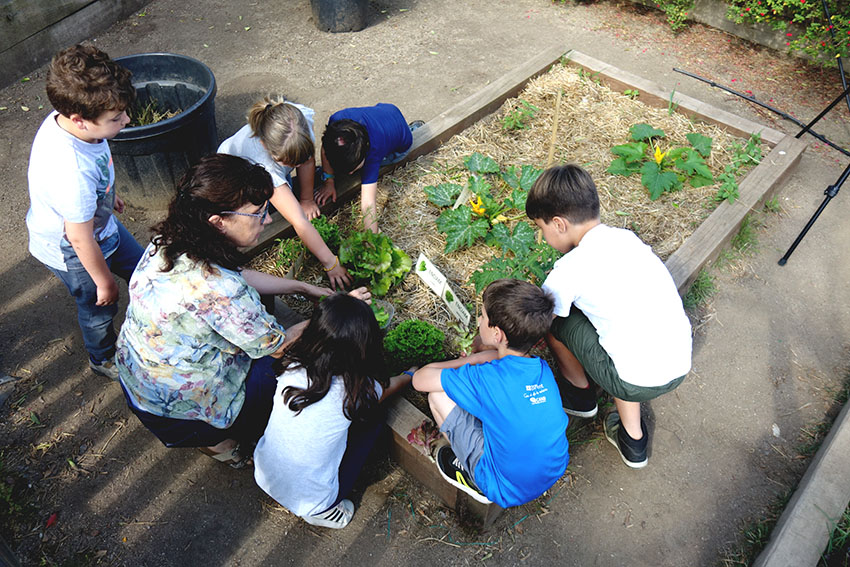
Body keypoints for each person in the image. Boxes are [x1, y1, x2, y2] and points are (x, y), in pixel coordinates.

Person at [116, 154, 343, 467]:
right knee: (291, 371)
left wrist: (302, 287)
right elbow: (279, 346)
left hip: (141, 378)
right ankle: (225, 442)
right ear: (218, 221)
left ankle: (218, 442)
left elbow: (236, 276)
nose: (266, 219)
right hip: (176, 410)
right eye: (258, 213)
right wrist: (333, 312)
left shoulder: (168, 241)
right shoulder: (222, 290)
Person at [526, 164, 692, 469]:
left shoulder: (570, 269)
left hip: (634, 380)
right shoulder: (627, 239)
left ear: (559, 224)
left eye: (541, 228)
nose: (542, 236)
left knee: (554, 317)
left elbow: (540, 316)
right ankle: (633, 441)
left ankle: (580, 396)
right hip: (679, 363)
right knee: (621, 329)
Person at [26, 44, 144, 381]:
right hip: (76, 249)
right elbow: (79, 238)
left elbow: (95, 178)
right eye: (116, 118)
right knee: (98, 309)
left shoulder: (72, 122)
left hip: (99, 224)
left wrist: (108, 197)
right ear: (80, 120)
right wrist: (103, 281)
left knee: (142, 269)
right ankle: (102, 356)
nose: (127, 120)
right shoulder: (72, 172)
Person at [253, 293, 413, 528]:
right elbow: (392, 385)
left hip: (265, 475)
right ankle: (325, 513)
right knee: (373, 419)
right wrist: (411, 375)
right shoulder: (356, 390)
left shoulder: (293, 364)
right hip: (314, 501)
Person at [412, 279, 569, 508]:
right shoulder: (541, 369)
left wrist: (470, 360)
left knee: (437, 397)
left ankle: (472, 476)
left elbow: (420, 380)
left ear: (497, 334)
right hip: (552, 470)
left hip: (505, 487)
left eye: (483, 317)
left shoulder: (486, 378)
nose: (479, 320)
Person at [218, 97, 351, 289]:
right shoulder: (263, 164)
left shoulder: (298, 121)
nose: (296, 165)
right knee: (258, 212)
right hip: (235, 180)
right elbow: (299, 221)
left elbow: (306, 160)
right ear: (265, 145)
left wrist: (306, 199)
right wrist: (331, 263)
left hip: (274, 167)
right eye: (290, 163)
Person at [317, 103, 418, 233]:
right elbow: (325, 148)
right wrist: (329, 180)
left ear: (365, 154)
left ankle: (411, 130)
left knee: (370, 168)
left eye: (353, 169)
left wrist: (372, 239)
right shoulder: (335, 125)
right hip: (387, 111)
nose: (351, 172)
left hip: (401, 144)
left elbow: (368, 203)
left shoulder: (373, 152)